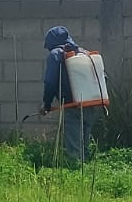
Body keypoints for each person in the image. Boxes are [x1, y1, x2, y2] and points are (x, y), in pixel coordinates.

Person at [41, 25, 100, 163]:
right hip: (90, 103)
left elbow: (50, 82)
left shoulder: (56, 54)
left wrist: (47, 104)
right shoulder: (84, 53)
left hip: (71, 106)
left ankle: (74, 174)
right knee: (84, 145)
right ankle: (85, 169)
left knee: (74, 147)